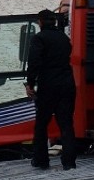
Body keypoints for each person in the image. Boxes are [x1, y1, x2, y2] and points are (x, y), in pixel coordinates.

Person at [24, 9, 77, 170]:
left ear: (40, 22)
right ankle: (69, 163)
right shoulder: (64, 38)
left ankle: (41, 160)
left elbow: (34, 62)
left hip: (48, 86)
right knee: (66, 124)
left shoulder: (38, 39)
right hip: (67, 84)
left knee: (41, 124)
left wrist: (30, 84)